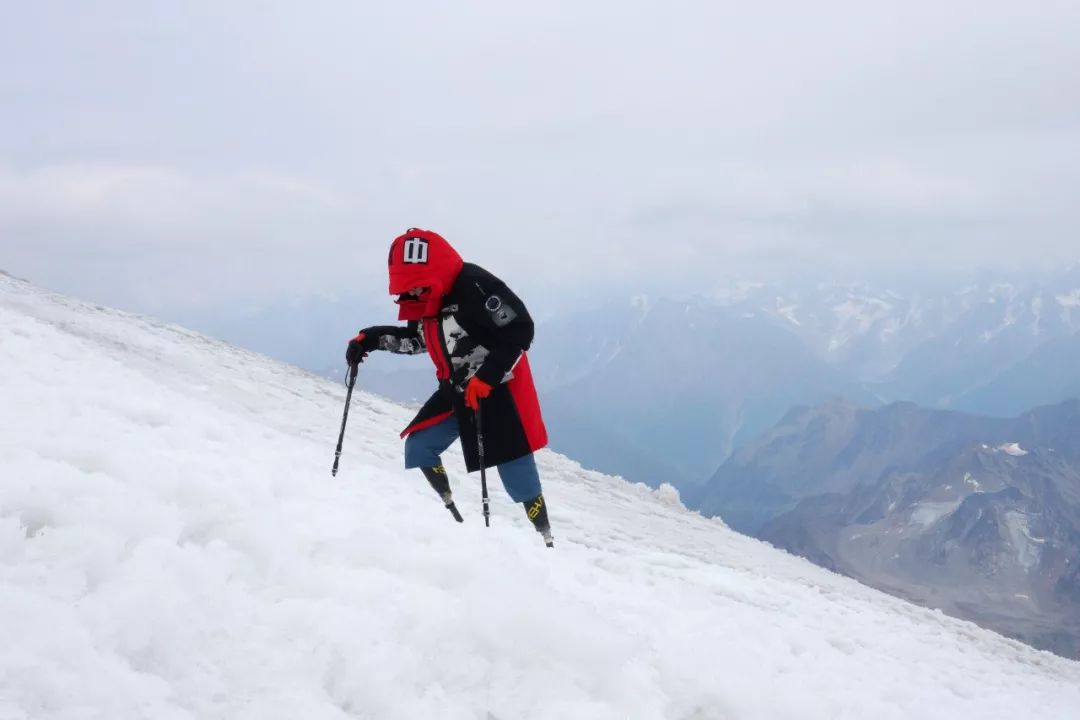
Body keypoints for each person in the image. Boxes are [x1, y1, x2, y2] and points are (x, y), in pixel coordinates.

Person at [345, 228, 553, 547]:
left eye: (415, 284)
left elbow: (520, 330)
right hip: (456, 390)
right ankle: (453, 518)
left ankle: (545, 540)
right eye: (406, 287)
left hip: (498, 390)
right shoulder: (426, 298)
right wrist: (371, 340)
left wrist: (488, 376)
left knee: (516, 471)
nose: (411, 292)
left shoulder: (474, 285)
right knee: (419, 446)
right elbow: (419, 341)